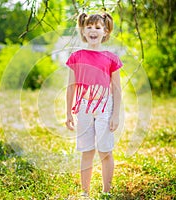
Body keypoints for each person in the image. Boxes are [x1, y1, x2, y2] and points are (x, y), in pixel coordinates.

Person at [65, 12, 123, 198]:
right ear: (83, 30)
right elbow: (70, 87)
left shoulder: (111, 58)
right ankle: (85, 192)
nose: (93, 31)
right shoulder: (77, 56)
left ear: (105, 32)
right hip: (83, 109)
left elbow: (117, 89)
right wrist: (68, 113)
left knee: (105, 151)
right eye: (89, 27)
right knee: (87, 151)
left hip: (105, 108)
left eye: (97, 27)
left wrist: (115, 115)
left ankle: (106, 192)